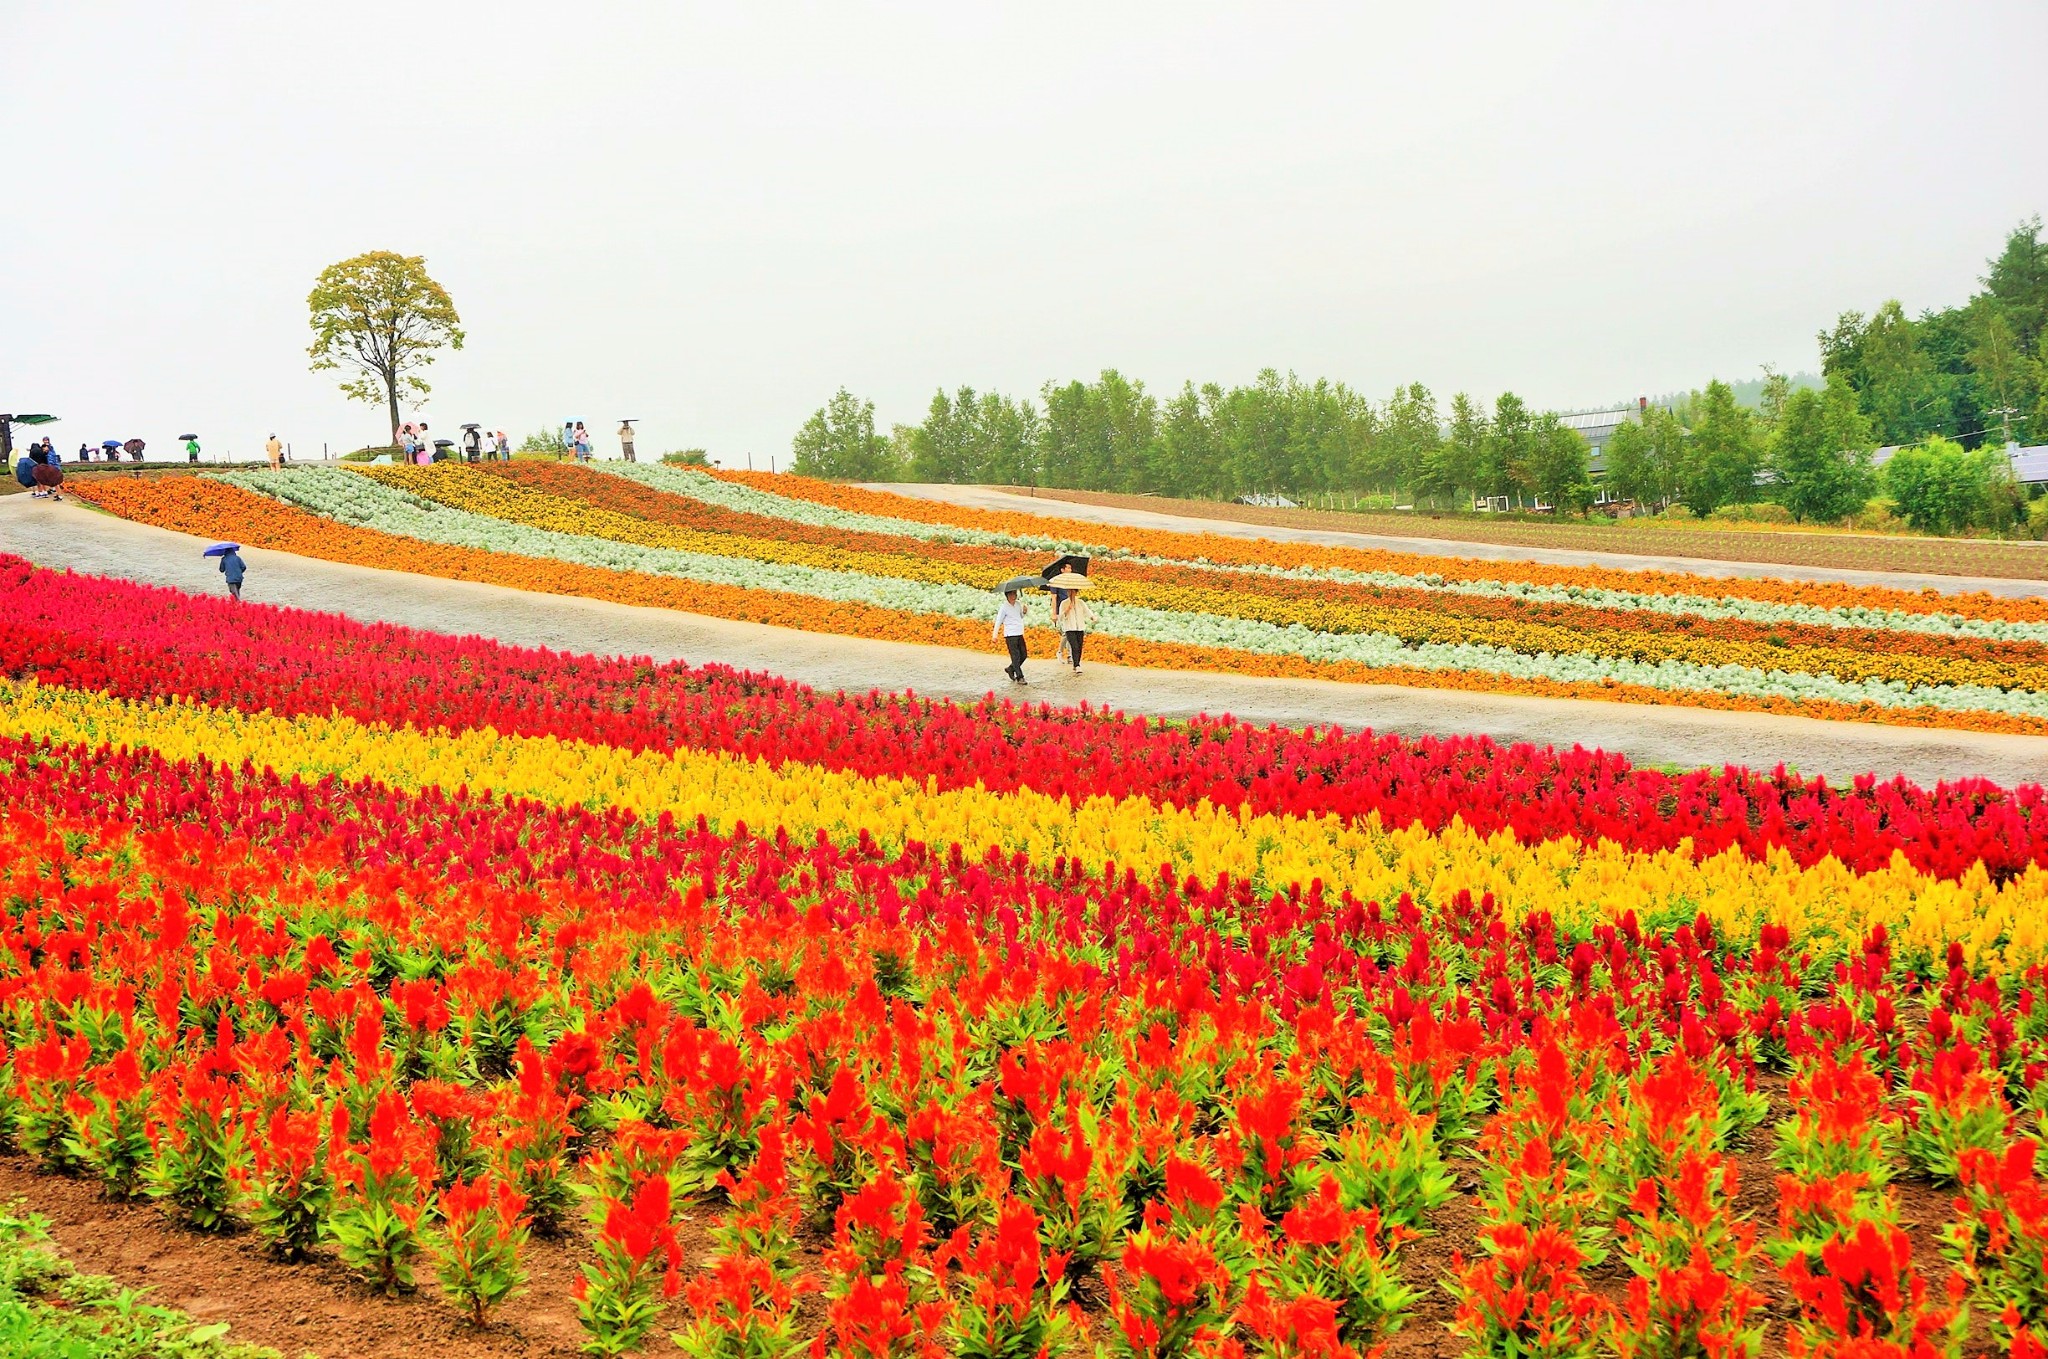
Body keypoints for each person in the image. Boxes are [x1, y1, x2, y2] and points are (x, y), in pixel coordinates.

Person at [992, 588, 1029, 684]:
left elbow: (1020, 616)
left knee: (1024, 654)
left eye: (1015, 593)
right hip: (1010, 634)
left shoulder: (1017, 604)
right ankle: (1020, 677)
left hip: (1019, 632)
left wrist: (1024, 612)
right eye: (1012, 594)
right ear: (1007, 595)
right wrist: (994, 635)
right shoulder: (1004, 607)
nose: (1014, 596)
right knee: (1015, 656)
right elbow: (998, 621)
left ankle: (1011, 668)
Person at [1056, 589, 1096, 674]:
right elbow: (1061, 617)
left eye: (1073, 592)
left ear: (1076, 592)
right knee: (1074, 646)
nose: (1070, 593)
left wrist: (1092, 617)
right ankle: (1077, 665)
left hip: (1080, 627)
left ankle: (1076, 664)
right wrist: (1067, 609)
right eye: (1069, 591)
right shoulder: (1064, 603)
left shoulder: (1080, 602)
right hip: (1069, 628)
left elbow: (1087, 611)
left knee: (1079, 646)